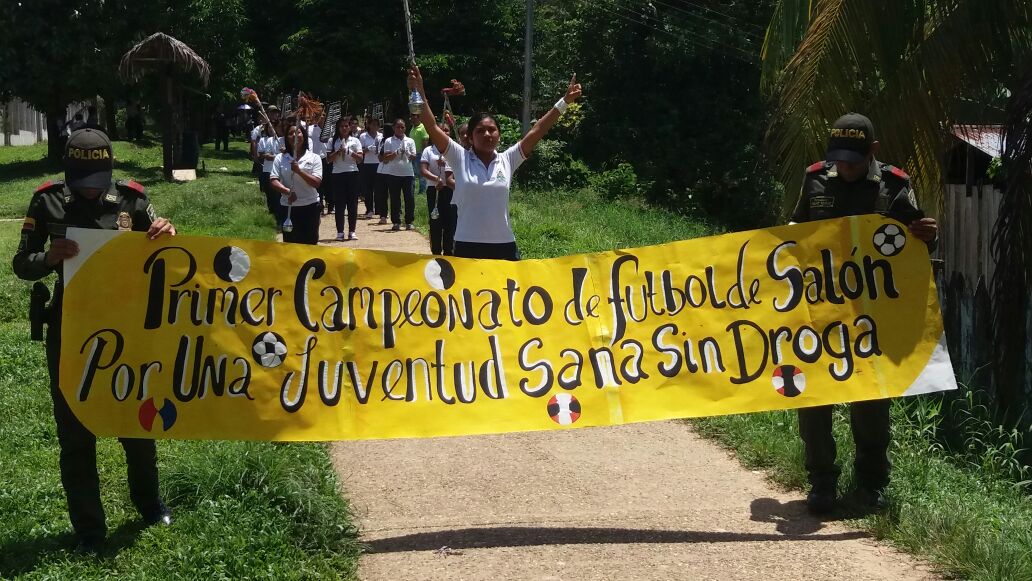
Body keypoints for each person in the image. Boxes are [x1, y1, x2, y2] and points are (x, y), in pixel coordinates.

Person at [12, 128, 177, 554]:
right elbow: (22, 263)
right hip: (71, 329)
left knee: (135, 422)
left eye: (98, 181)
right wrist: (49, 257)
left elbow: (163, 253)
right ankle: (89, 529)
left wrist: (166, 231)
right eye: (83, 181)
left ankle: (149, 504)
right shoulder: (47, 201)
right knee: (75, 434)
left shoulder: (132, 200)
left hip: (127, 328)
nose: (91, 190)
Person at [789, 113, 938, 514]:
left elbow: (916, 244)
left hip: (872, 316)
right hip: (820, 310)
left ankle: (871, 486)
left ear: (872, 151)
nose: (846, 167)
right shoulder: (815, 178)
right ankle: (821, 483)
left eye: (854, 160)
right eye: (839, 159)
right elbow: (795, 232)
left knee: (871, 404)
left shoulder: (895, 184)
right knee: (814, 399)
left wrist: (929, 235)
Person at [408, 66, 582, 260]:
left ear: (499, 135)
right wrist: (419, 89)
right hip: (467, 246)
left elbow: (538, 130)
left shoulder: (508, 159)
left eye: (492, 130)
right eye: (480, 131)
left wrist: (564, 101)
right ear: (470, 137)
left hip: (504, 246)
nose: (487, 134)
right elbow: (432, 126)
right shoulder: (460, 158)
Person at [269, 121, 323, 244]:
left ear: (304, 136)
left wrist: (299, 171)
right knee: (290, 244)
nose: (294, 135)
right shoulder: (280, 158)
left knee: (309, 244)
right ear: (286, 138)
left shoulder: (314, 158)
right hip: (288, 207)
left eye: (297, 132)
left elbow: (316, 183)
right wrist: (287, 191)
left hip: (310, 207)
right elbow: (273, 180)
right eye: (290, 133)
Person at [420, 123, 456, 254]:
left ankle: (448, 252)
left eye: (447, 130)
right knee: (435, 221)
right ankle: (435, 252)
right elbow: (423, 170)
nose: (444, 133)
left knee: (450, 222)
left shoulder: (454, 150)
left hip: (451, 190)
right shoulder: (428, 150)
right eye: (441, 130)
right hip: (434, 190)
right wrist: (436, 179)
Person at [326, 116, 364, 240]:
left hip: (352, 173)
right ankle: (340, 232)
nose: (344, 128)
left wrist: (349, 152)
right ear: (338, 128)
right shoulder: (332, 141)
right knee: (340, 204)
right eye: (341, 126)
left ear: (349, 127)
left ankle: (352, 231)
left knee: (352, 204)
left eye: (346, 126)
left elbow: (360, 159)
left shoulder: (355, 141)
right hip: (338, 174)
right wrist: (338, 152)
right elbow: (328, 159)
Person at [379, 119, 418, 231]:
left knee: (409, 198)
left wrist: (408, 153)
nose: (400, 129)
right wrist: (396, 152)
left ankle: (409, 221)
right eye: (398, 127)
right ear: (394, 128)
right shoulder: (389, 141)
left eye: (402, 127)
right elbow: (386, 158)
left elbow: (414, 157)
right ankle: (396, 221)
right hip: (393, 174)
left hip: (408, 173)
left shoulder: (410, 140)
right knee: (395, 198)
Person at [358, 119, 383, 220]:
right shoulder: (363, 136)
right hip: (367, 164)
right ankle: (369, 209)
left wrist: (378, 150)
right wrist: (368, 149)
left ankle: (378, 209)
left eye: (376, 125)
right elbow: (360, 151)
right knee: (368, 189)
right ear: (369, 125)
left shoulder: (381, 136)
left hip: (378, 164)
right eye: (373, 124)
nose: (374, 127)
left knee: (378, 188)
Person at [257, 121, 281, 220]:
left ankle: (279, 214)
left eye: (274, 128)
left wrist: (273, 156)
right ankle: (272, 213)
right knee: (270, 193)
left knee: (278, 194)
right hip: (267, 169)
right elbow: (262, 154)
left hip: (279, 171)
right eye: (270, 128)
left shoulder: (282, 140)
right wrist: (266, 156)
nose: (272, 130)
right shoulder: (266, 140)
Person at [409, 113, 430, 195]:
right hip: (413, 154)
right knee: (413, 173)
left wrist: (424, 155)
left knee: (421, 173)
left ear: (418, 118)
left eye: (413, 118)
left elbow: (425, 140)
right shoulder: (412, 128)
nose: (412, 119)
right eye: (411, 118)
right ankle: (413, 189)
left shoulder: (422, 127)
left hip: (419, 154)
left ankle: (422, 190)